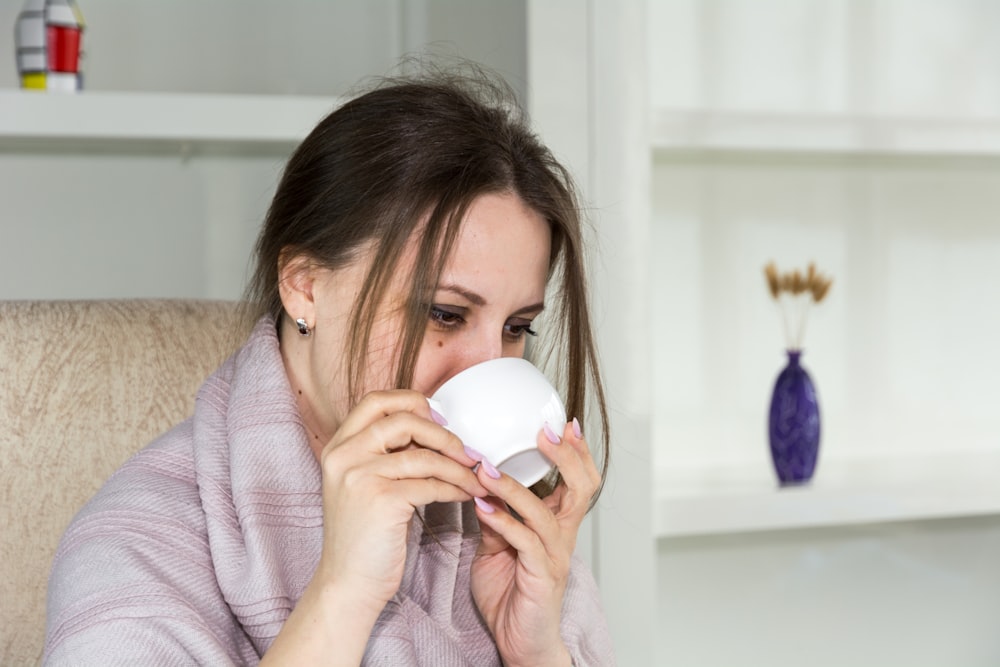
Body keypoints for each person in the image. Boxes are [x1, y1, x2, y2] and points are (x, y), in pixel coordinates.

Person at [44, 62, 615, 666]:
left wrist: (535, 651)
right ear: (304, 287)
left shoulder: (504, 537)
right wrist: (342, 594)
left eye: (515, 327)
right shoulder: (140, 544)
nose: (484, 363)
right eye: (443, 314)